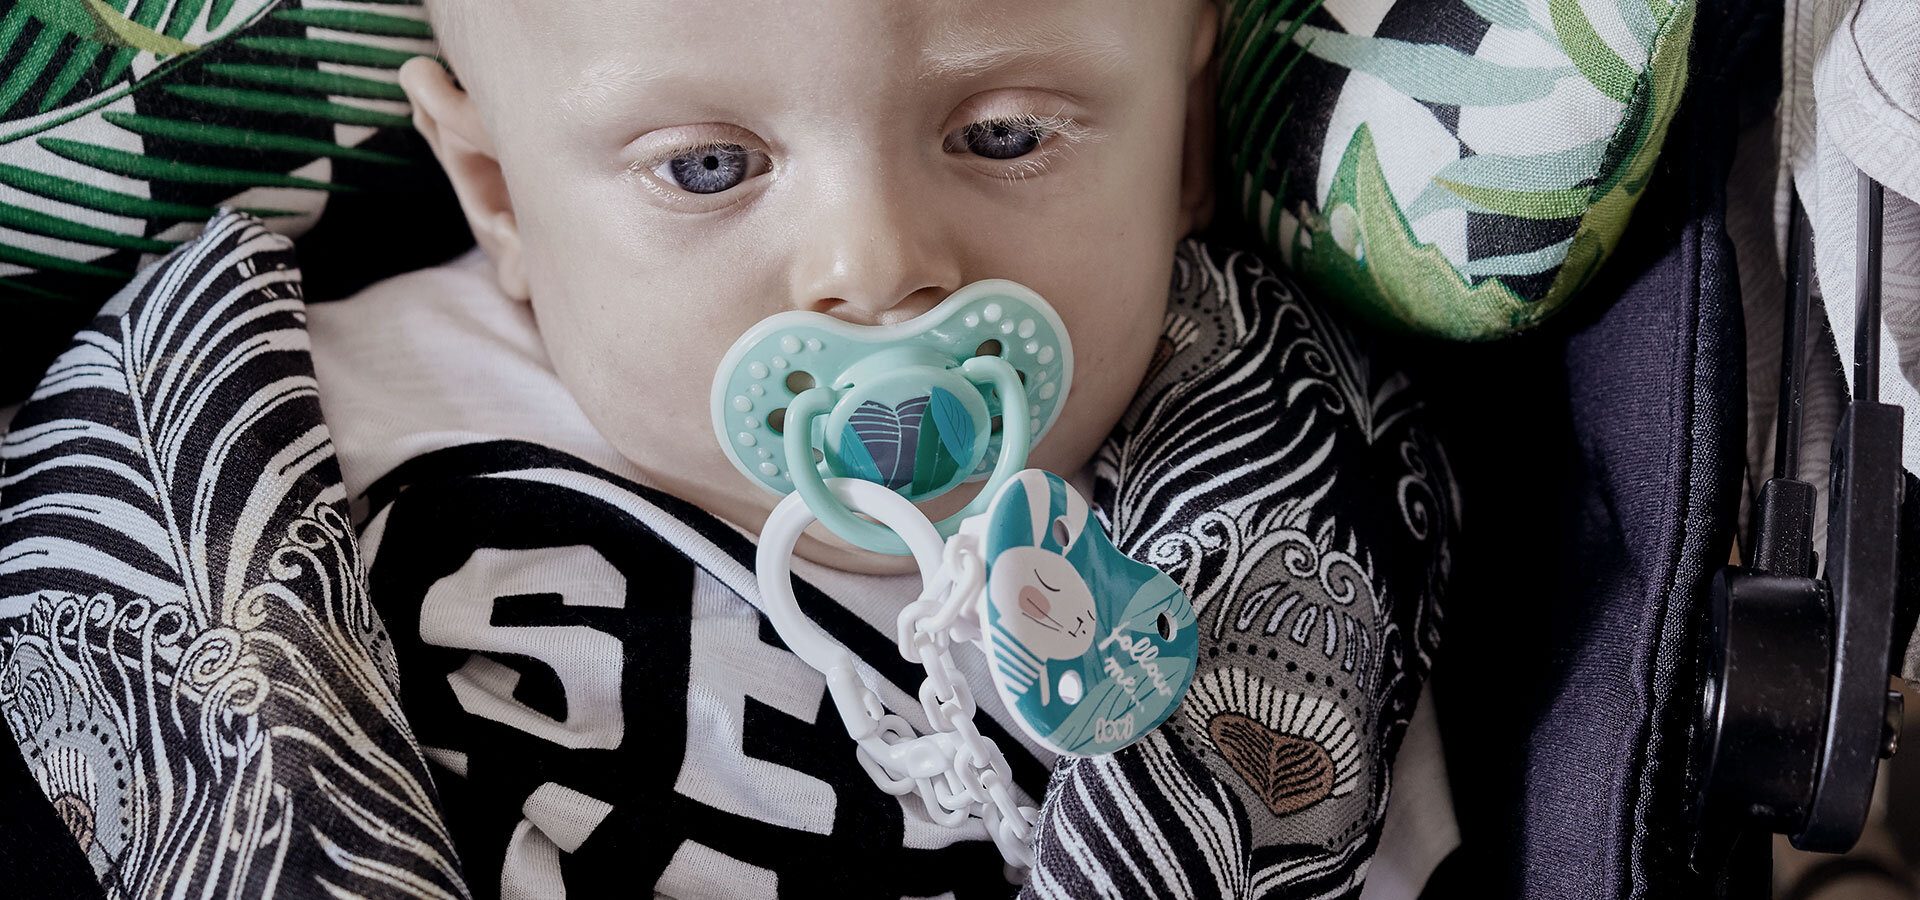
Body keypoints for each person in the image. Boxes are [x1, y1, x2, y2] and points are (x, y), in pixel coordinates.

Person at [305, 0, 1458, 895]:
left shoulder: (1282, 543)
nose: (876, 264)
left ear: (1187, 136)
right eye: (708, 166)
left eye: (1004, 135)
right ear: (497, 192)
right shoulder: (332, 424)